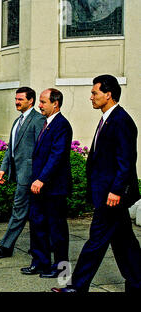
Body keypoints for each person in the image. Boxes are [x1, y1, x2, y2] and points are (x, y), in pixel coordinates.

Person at [52, 75, 141, 293]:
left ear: (108, 95)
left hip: (112, 196)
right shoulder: (108, 119)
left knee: (96, 241)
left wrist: (116, 190)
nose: (90, 97)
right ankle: (138, 281)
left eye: (94, 93)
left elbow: (126, 161)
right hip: (105, 193)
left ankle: (77, 287)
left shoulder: (121, 121)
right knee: (124, 243)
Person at [20, 88, 72, 278]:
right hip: (40, 187)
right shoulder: (46, 123)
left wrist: (41, 179)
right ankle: (40, 263)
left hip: (54, 188)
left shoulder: (62, 125)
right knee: (37, 225)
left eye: (43, 102)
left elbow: (56, 156)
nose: (39, 105)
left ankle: (61, 270)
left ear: (55, 103)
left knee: (57, 230)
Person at [0, 87, 45, 258]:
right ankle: (40, 247)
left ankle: (6, 246)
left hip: (29, 176)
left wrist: (38, 177)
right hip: (19, 173)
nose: (16, 102)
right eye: (16, 99)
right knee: (32, 212)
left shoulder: (38, 120)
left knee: (19, 209)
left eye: (20, 99)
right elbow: (10, 149)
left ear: (31, 101)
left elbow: (40, 150)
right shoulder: (17, 121)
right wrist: (3, 168)